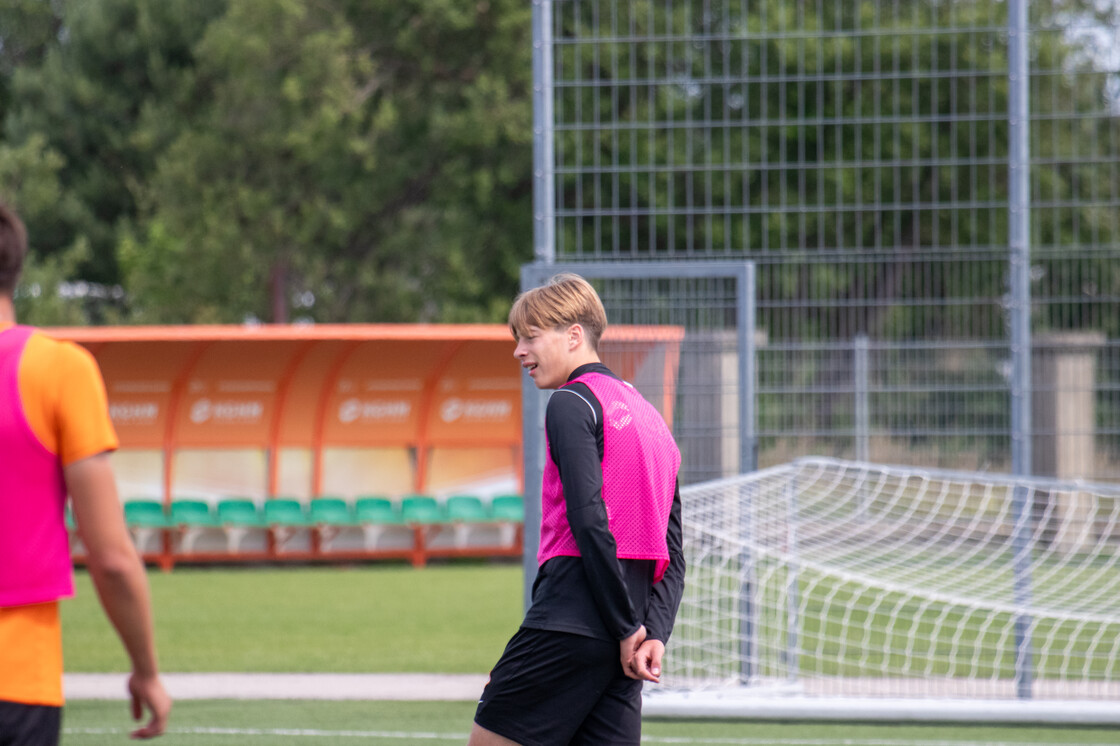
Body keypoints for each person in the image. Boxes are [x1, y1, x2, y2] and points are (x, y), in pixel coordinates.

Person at [470, 273, 685, 746]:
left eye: (529, 337)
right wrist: (650, 634)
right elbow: (674, 551)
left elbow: (589, 521)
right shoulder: (651, 417)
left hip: (569, 622)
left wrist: (628, 626)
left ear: (573, 335)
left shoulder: (572, 401)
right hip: (625, 641)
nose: (519, 351)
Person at [0, 202, 171, 744]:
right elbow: (113, 558)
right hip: (16, 681)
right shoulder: (58, 370)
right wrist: (145, 669)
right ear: (16, 266)